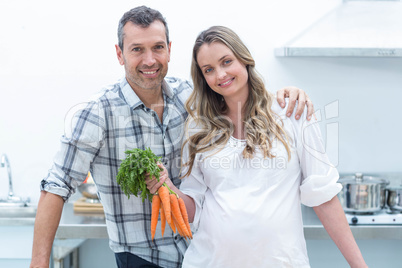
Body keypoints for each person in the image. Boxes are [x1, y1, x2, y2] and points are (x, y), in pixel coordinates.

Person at [30, 6, 314, 268]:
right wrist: (39, 263)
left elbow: (236, 90)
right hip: (142, 257)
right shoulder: (97, 113)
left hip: (198, 254)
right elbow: (56, 187)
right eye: (137, 49)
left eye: (157, 47)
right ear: (120, 54)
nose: (150, 60)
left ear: (169, 50)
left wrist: (284, 95)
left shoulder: (189, 97)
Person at [146, 26, 368, 268]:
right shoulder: (198, 127)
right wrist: (166, 186)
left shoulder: (292, 113)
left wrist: (359, 265)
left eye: (226, 61)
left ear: (244, 59)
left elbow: (323, 196)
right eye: (208, 70)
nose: (220, 75)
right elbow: (192, 212)